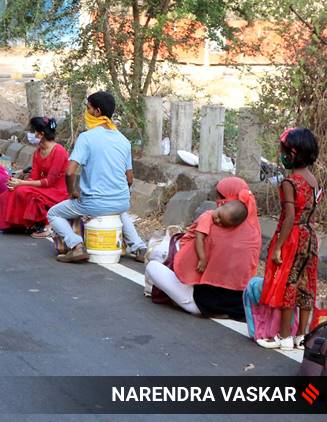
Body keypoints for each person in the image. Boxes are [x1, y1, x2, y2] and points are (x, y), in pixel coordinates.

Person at [48, 91, 146, 263]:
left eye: (88, 108)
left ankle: (76, 246)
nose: (86, 112)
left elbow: (70, 172)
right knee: (119, 210)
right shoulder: (124, 140)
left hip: (93, 204)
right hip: (121, 200)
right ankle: (139, 248)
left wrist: (72, 192)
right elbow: (129, 179)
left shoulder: (86, 138)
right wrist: (116, 194)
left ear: (97, 112)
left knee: (53, 214)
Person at [145, 180, 260, 319]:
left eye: (221, 197)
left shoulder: (213, 223)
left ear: (227, 201)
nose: (218, 201)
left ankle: (184, 301)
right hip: (238, 306)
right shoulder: (254, 233)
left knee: (153, 266)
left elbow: (186, 258)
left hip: (200, 303)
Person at [257, 128, 321, 351]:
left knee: (288, 283)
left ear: (293, 154)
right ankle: (301, 336)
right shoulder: (313, 180)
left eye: (283, 151)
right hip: (310, 236)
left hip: (293, 237)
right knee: (306, 285)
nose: (280, 154)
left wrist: (278, 247)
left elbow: (290, 217)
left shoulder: (289, 182)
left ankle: (283, 336)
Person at [0, 117, 68, 235]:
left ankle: (47, 225)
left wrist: (22, 183)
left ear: (41, 134)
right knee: (14, 190)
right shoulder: (38, 152)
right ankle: (20, 224)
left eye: (33, 131)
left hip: (57, 190)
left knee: (23, 191)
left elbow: (49, 182)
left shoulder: (59, 151)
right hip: (43, 186)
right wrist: (17, 183)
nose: (31, 134)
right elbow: (34, 176)